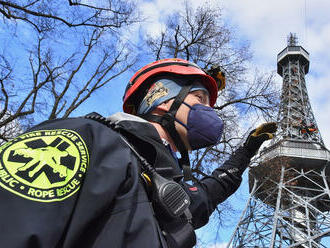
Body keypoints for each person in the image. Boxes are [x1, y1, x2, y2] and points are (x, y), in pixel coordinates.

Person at [0, 58, 277, 248]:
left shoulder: (170, 196)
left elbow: (210, 192)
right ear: (161, 99)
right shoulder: (87, 141)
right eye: (200, 99)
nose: (210, 112)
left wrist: (248, 150)